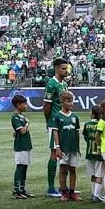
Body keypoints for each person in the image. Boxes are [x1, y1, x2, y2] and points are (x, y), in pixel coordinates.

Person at [42, 58, 71, 197]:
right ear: (57, 69)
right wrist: (49, 121)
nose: (66, 71)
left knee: (63, 154)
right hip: (55, 123)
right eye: (63, 68)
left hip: (64, 123)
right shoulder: (51, 84)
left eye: (66, 68)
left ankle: (63, 187)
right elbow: (46, 105)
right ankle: (51, 188)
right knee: (54, 153)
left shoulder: (64, 84)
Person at [51, 91, 81, 202]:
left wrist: (78, 148)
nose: (71, 103)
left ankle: (72, 192)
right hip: (63, 148)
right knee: (63, 169)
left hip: (73, 148)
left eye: (71, 101)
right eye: (68, 101)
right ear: (62, 102)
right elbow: (55, 132)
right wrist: (57, 147)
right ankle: (63, 192)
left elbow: (77, 133)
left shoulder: (74, 117)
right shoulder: (58, 116)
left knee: (73, 169)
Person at [11, 93, 33, 199]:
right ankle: (16, 190)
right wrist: (27, 124)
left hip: (26, 144)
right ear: (18, 105)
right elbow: (23, 131)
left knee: (25, 167)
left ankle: (22, 189)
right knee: (20, 166)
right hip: (20, 146)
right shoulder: (15, 117)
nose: (26, 106)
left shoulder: (22, 117)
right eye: (25, 104)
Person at [82, 104, 103, 201]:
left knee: (93, 174)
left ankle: (92, 192)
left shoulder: (87, 124)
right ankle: (96, 194)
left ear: (93, 114)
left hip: (89, 153)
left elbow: (86, 137)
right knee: (99, 174)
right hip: (99, 153)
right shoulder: (101, 125)